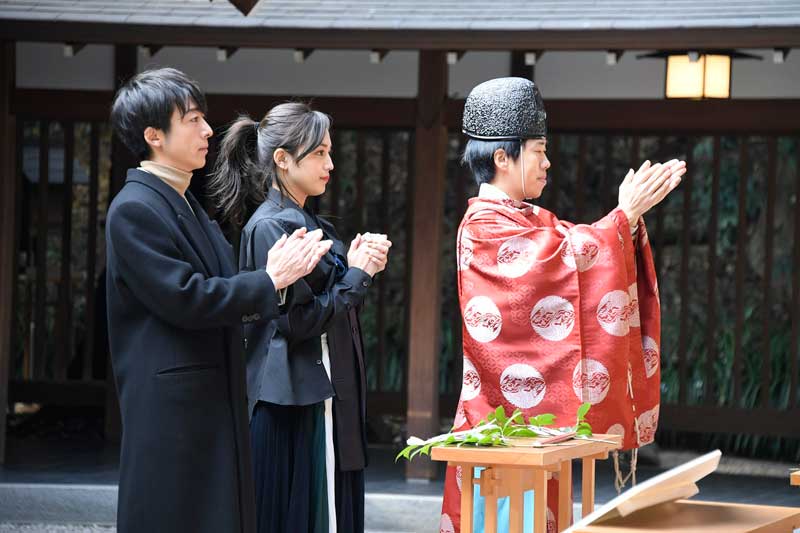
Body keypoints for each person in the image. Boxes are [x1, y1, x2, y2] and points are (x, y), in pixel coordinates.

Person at [439, 77, 685, 533]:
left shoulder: (529, 220)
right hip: (501, 418)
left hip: (532, 426)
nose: (547, 162)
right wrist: (622, 217)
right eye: (539, 150)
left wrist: (622, 222)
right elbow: (561, 261)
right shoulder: (483, 226)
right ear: (501, 157)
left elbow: (570, 251)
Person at [106, 68, 330, 533]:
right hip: (174, 411)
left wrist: (277, 279)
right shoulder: (135, 208)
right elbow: (187, 298)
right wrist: (270, 280)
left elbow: (221, 289)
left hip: (208, 400)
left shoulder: (184, 202)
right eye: (192, 120)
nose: (208, 130)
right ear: (154, 136)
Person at [209, 102, 391, 533]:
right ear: (282, 160)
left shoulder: (305, 220)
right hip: (292, 398)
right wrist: (358, 273)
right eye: (319, 153)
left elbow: (329, 305)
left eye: (329, 152)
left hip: (313, 388)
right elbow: (299, 322)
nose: (330, 163)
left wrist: (358, 268)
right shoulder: (273, 225)